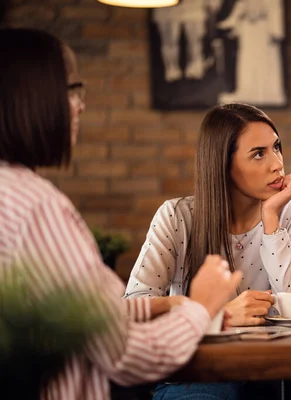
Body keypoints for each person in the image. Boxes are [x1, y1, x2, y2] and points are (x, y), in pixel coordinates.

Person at [0, 27, 242, 400]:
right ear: (31, 98)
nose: (80, 105)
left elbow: (77, 320)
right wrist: (200, 306)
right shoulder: (38, 207)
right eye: (71, 90)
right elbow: (129, 356)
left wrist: (167, 306)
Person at [124, 103, 291, 399]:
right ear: (223, 165)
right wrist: (218, 316)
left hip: (270, 372)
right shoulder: (176, 217)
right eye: (259, 154)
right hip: (196, 373)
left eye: (277, 147)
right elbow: (135, 307)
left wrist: (271, 223)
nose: (277, 164)